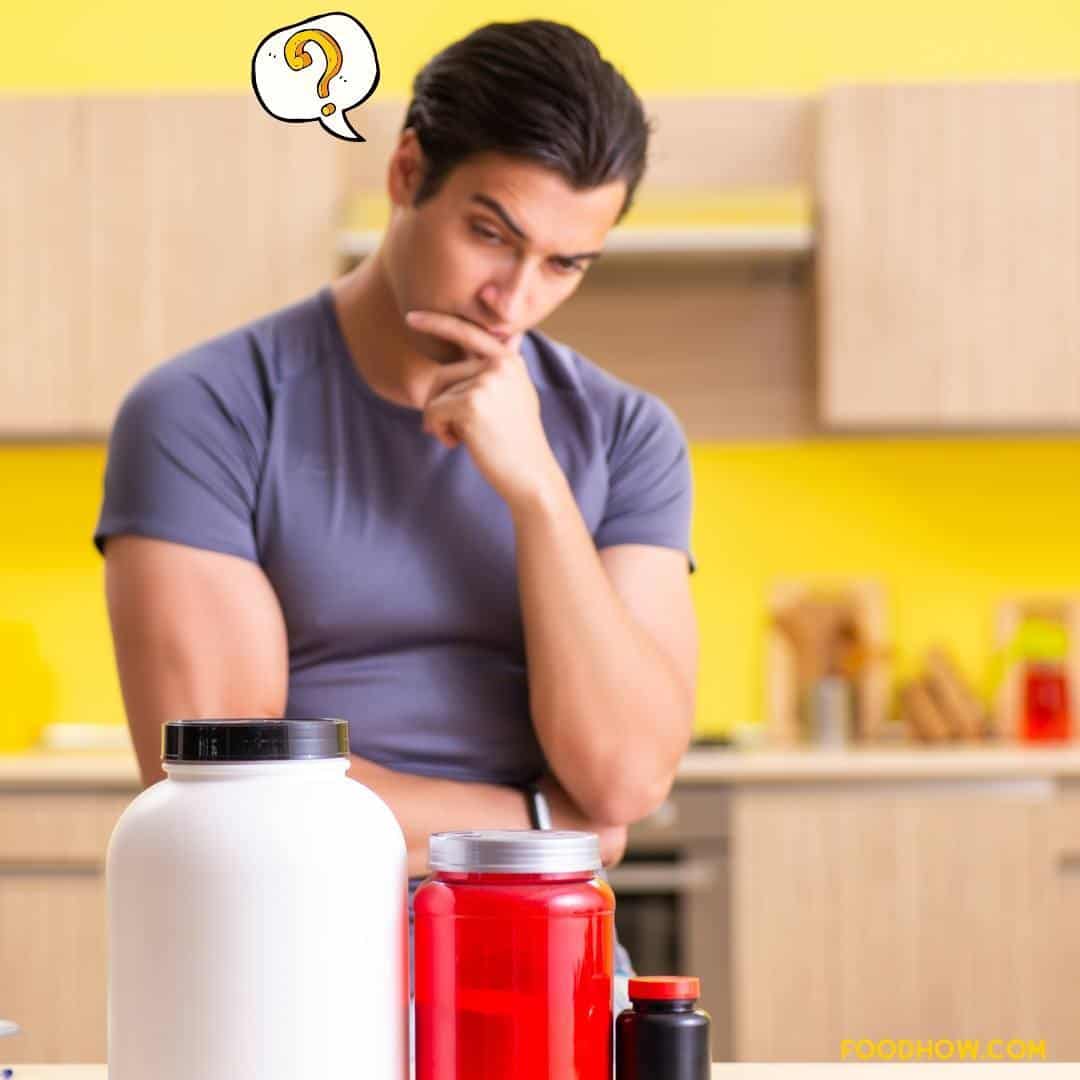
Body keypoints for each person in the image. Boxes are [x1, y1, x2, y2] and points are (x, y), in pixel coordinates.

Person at [94, 18, 698, 1007]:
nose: (512, 299)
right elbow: (229, 801)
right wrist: (540, 824)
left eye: (564, 265)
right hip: (283, 972)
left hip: (546, 974)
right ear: (407, 171)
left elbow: (627, 780)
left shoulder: (627, 436)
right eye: (490, 234)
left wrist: (539, 493)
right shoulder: (204, 413)